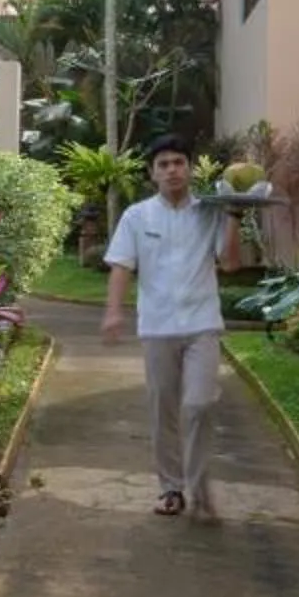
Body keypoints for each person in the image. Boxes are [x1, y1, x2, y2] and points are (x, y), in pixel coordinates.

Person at [101, 136, 231, 519]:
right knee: (164, 411)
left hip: (203, 324)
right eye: (164, 164)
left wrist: (235, 218)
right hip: (157, 327)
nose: (172, 169)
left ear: (190, 168)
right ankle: (172, 489)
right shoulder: (137, 217)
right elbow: (122, 266)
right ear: (152, 173)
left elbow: (233, 263)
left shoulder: (210, 212)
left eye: (179, 162)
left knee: (199, 404)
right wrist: (113, 311)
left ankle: (199, 483)